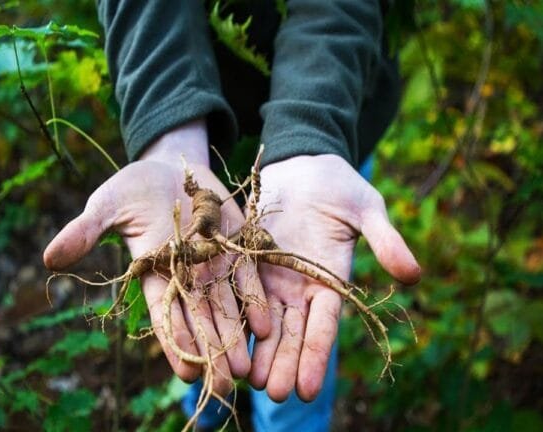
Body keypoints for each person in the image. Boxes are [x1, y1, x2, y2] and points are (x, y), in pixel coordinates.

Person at [43, 1, 421, 430]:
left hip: (332, 134)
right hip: (201, 127)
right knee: (200, 307)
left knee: (295, 320)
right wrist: (169, 133)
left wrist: (311, 136)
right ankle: (207, 412)